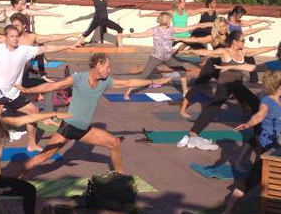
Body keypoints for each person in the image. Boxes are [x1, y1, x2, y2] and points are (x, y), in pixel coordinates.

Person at [14, 53, 171, 175]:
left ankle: (120, 177)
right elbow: (53, 86)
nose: (110, 70)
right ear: (98, 65)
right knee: (44, 156)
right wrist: (28, 90)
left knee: (115, 143)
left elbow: (129, 83)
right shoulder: (78, 78)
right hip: (69, 127)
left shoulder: (105, 82)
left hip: (84, 130)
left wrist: (153, 82)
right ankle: (15, 176)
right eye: (108, 67)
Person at [219, 71, 281, 214]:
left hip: (278, 147)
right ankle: (227, 211)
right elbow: (259, 116)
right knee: (252, 181)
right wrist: (248, 123)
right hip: (268, 149)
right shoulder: (267, 102)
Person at [179, 31, 277, 151]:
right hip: (224, 86)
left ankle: (257, 135)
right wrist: (190, 51)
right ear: (235, 41)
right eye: (242, 40)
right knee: (212, 108)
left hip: (237, 85)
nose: (244, 42)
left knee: (255, 103)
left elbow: (258, 50)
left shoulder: (243, 51)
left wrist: (274, 47)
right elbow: (208, 52)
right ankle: (193, 133)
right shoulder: (225, 52)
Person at [176, 17, 270, 118]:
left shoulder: (231, 37)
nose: (222, 28)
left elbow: (247, 32)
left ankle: (245, 109)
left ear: (227, 26)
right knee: (198, 86)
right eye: (219, 26)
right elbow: (197, 40)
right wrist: (182, 39)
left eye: (224, 26)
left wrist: (263, 27)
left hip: (224, 67)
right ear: (216, 27)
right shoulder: (213, 37)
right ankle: (182, 109)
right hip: (211, 66)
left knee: (237, 86)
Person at [121, 12, 212, 101]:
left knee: (182, 71)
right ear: (165, 20)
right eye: (170, 20)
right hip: (155, 57)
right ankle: (127, 92)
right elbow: (141, 35)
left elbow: (185, 28)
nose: (171, 21)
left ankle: (185, 92)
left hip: (168, 57)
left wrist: (198, 25)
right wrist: (127, 35)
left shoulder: (171, 29)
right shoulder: (154, 30)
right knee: (143, 76)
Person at [64, 0, 136, 47]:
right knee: (87, 32)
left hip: (105, 20)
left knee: (119, 29)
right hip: (96, 19)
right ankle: (76, 44)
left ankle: (120, 45)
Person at [140, 0, 214, 40]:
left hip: (185, 37)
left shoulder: (187, 13)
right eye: (183, 2)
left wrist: (210, 9)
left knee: (199, 46)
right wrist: (145, 15)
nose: (185, 3)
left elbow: (199, 10)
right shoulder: (172, 12)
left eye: (185, 2)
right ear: (178, 3)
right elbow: (158, 13)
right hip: (174, 36)